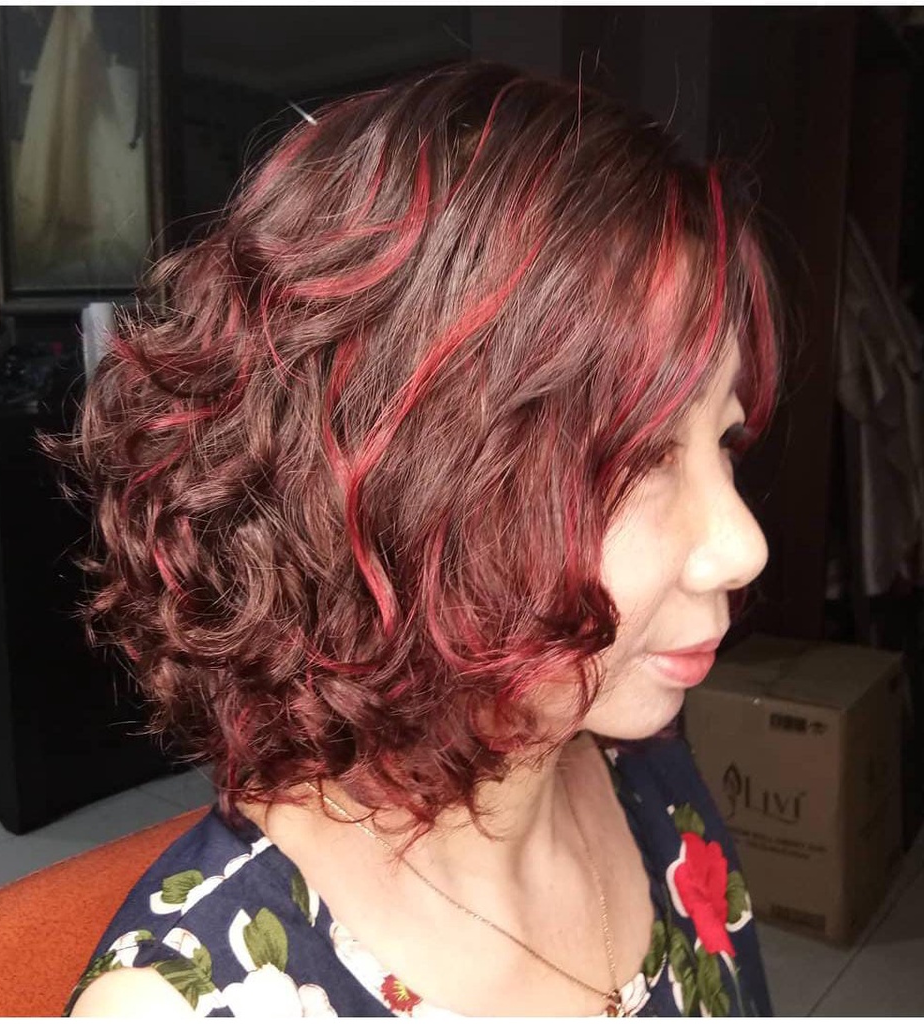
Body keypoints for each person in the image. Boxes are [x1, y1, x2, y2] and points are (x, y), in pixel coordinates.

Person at [62, 61, 779, 1018]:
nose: (741, 545)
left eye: (721, 440)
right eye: (639, 458)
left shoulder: (645, 768)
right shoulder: (196, 1001)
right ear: (395, 493)